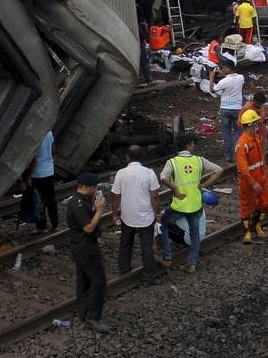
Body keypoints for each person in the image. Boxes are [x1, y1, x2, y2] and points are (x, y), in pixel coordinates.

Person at [157, 137, 223, 274]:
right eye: (193, 144)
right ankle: (191, 264)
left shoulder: (172, 162)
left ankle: (167, 257)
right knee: (195, 234)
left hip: (179, 205)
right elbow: (219, 170)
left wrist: (174, 189)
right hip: (195, 204)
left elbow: (163, 177)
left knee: (162, 223)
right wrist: (205, 185)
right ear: (188, 146)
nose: (194, 146)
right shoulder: (199, 160)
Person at [110, 145, 164, 285]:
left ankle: (124, 271)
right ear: (141, 157)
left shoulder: (121, 173)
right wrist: (157, 212)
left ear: (127, 157)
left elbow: (116, 196)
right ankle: (149, 278)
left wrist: (114, 213)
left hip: (127, 216)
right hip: (145, 216)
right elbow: (155, 196)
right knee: (146, 247)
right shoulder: (149, 173)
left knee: (125, 244)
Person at [66, 172, 109, 331]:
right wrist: (99, 211)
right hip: (85, 247)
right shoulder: (77, 204)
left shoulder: (83, 199)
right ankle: (93, 317)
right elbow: (88, 227)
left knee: (83, 280)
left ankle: (83, 312)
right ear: (85, 187)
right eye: (94, 187)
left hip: (82, 245)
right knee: (98, 281)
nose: (96, 189)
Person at [237, 109, 268, 244]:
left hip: (261, 177)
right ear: (250, 124)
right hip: (249, 181)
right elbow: (243, 168)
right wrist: (252, 183)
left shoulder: (255, 138)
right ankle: (247, 232)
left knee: (266, 203)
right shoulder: (243, 144)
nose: (257, 124)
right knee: (246, 207)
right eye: (255, 122)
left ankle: (256, 225)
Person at [211, 61, 245, 162]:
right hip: (237, 108)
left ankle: (228, 156)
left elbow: (212, 90)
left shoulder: (223, 82)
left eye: (224, 68)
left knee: (226, 133)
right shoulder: (241, 77)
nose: (222, 70)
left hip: (225, 109)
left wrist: (212, 77)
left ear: (229, 68)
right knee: (238, 131)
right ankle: (236, 155)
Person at [25, 130, 58, 231]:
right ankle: (54, 224)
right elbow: (53, 151)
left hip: (38, 174)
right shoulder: (49, 132)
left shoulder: (35, 135)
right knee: (51, 200)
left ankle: (41, 227)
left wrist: (29, 176)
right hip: (49, 171)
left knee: (39, 201)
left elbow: (34, 160)